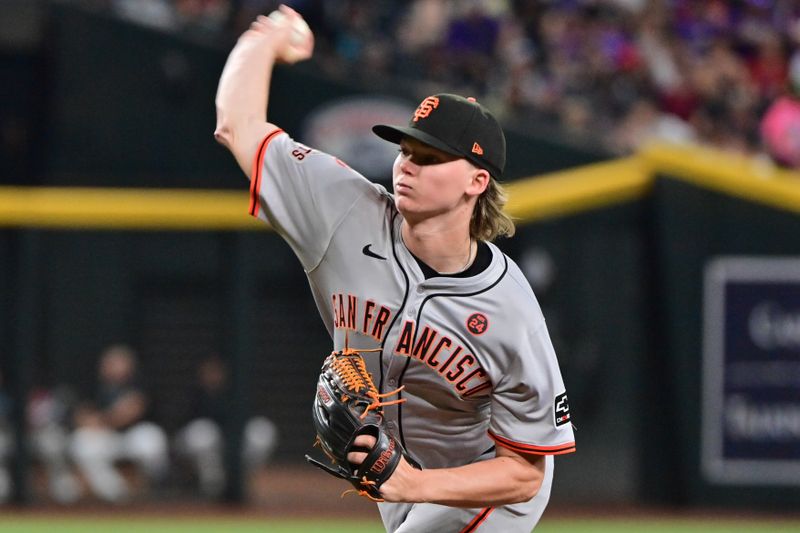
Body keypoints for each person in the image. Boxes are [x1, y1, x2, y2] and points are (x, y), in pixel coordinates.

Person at [213, 5, 575, 531]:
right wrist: (265, 36)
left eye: (430, 157)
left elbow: (525, 473)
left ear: (476, 183)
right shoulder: (343, 211)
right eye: (406, 149)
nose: (406, 165)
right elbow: (236, 124)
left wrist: (414, 483)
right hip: (398, 487)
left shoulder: (510, 312)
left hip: (482, 490)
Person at [68, 344, 169, 502]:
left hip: (134, 436)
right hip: (109, 437)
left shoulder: (140, 382)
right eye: (108, 363)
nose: (111, 367)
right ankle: (117, 494)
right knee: (81, 441)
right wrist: (102, 419)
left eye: (116, 363)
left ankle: (157, 488)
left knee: (151, 437)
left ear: (129, 365)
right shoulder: (95, 386)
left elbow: (131, 411)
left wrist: (101, 419)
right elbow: (81, 415)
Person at [173, 355, 278, 498]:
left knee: (263, 430)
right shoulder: (192, 393)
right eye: (209, 371)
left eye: (217, 371)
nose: (213, 375)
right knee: (203, 433)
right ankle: (212, 489)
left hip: (234, 442)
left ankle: (243, 480)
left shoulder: (237, 392)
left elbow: (252, 416)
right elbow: (182, 426)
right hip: (202, 447)